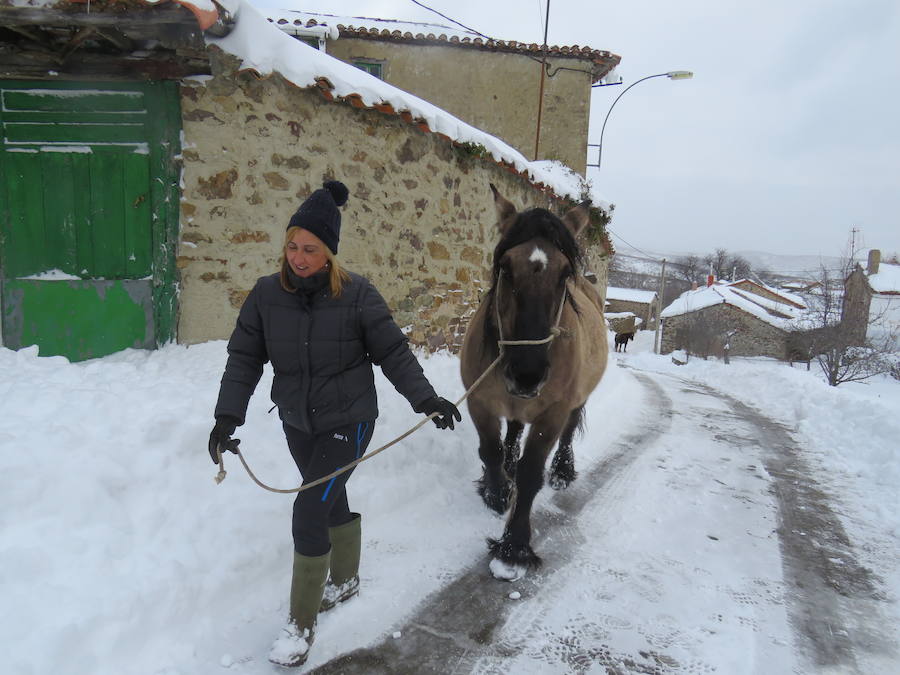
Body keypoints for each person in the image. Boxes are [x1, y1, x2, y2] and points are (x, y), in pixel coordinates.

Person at [207, 180, 462, 668]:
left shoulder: (358, 295)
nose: (298, 257)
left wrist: (425, 399)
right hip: (298, 421)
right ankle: (345, 580)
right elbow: (244, 359)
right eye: (292, 246)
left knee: (308, 508)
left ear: (329, 253)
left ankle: (300, 626)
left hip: (351, 420)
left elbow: (392, 352)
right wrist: (226, 416)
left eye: (310, 249)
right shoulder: (265, 295)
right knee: (327, 496)